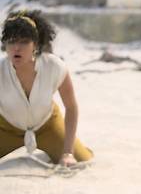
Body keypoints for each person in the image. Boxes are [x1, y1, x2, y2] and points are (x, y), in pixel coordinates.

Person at [0, 10, 93, 166]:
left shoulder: (54, 66)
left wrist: (68, 153)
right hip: (6, 128)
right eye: (11, 41)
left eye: (24, 42)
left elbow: (71, 107)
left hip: (47, 126)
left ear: (35, 45)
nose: (16, 48)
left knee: (82, 160)